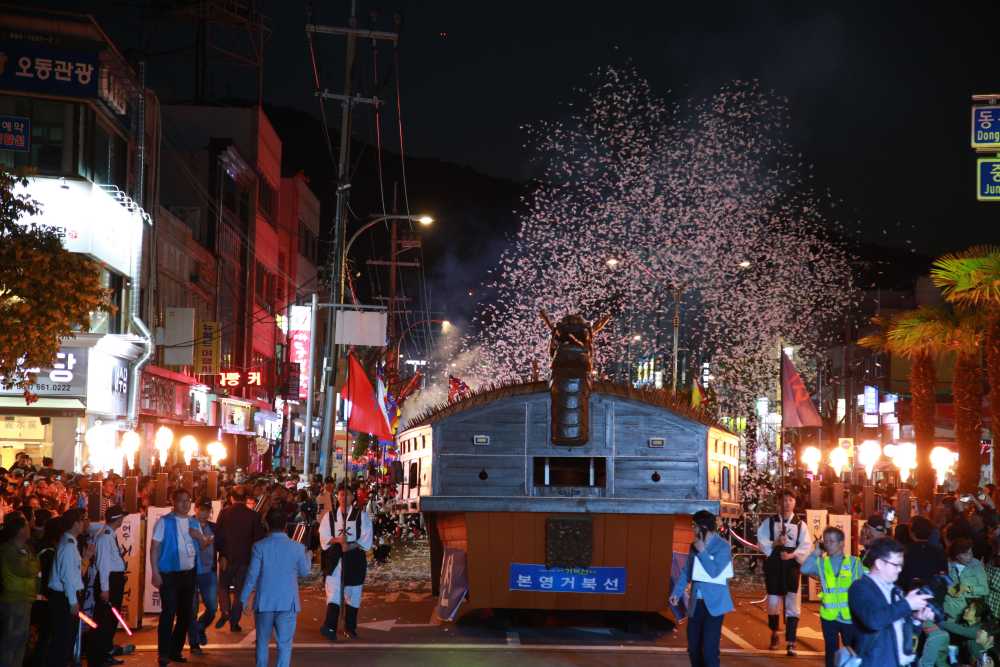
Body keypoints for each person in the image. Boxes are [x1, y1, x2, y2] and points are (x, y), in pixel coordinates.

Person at [239, 508, 311, 667]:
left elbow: (252, 575)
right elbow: (305, 572)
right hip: (288, 602)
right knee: (285, 645)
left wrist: (244, 598)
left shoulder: (259, 546)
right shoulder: (297, 547)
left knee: (262, 643)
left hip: (265, 601)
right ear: (286, 525)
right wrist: (309, 556)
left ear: (267, 524)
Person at [848, 537, 934, 666]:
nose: (900, 569)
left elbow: (904, 633)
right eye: (896, 565)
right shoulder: (860, 588)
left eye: (901, 565)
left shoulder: (896, 590)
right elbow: (873, 620)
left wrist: (917, 620)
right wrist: (907, 604)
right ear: (879, 564)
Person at [669, 510, 732, 667]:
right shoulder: (694, 545)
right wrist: (677, 592)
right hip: (696, 603)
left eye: (694, 526)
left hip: (715, 605)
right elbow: (687, 571)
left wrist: (702, 551)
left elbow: (714, 571)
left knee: (709, 651)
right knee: (694, 648)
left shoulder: (723, 547)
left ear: (703, 527)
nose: (693, 529)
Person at [756, 489, 812, 655]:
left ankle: (791, 641)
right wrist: (774, 544)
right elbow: (761, 540)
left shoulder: (801, 525)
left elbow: (806, 546)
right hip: (774, 565)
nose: (786, 503)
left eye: (789, 500)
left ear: (794, 502)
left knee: (792, 603)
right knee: (773, 603)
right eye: (783, 500)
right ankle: (774, 632)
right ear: (778, 503)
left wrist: (792, 554)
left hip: (791, 567)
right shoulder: (770, 522)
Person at [801, 526, 865, 667]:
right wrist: (816, 552)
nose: (828, 544)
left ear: (842, 543)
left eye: (832, 541)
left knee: (853, 652)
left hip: (850, 617)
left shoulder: (854, 562)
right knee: (831, 652)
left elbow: (863, 587)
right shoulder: (822, 563)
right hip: (829, 616)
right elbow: (804, 569)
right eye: (826, 541)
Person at [150, 489, 198, 666]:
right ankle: (163, 653)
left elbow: (201, 546)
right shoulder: (164, 522)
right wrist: (155, 572)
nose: (185, 504)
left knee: (185, 614)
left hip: (189, 574)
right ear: (173, 502)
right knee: (169, 613)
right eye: (181, 501)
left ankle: (175, 650)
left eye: (188, 500)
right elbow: (154, 548)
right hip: (169, 575)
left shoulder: (194, 522)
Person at [319, 485, 372, 640]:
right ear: (337, 497)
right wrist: (337, 540)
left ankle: (350, 627)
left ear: (352, 497)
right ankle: (330, 626)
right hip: (335, 557)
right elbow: (324, 537)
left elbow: (366, 537)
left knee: (353, 593)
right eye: (341, 495)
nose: (343, 498)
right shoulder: (329, 516)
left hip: (354, 557)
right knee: (333, 592)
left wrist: (350, 545)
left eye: (346, 495)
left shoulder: (361, 516)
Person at [214, 489, 265, 632]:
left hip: (227, 557)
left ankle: (225, 611)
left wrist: (221, 554)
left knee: (223, 586)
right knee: (240, 591)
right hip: (245, 559)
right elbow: (258, 539)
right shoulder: (253, 515)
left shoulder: (224, 513)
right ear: (245, 498)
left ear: (231, 498)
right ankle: (234, 622)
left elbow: (218, 535)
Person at [47, 508, 87, 667]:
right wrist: (73, 601)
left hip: (65, 597)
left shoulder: (69, 542)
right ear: (75, 524)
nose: (85, 523)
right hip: (64, 598)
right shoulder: (69, 546)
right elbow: (68, 577)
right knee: (63, 641)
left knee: (65, 640)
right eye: (82, 520)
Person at [0, 513, 40, 667]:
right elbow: (26, 569)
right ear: (20, 531)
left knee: (21, 641)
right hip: (13, 601)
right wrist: (33, 566)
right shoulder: (8, 550)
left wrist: (33, 566)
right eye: (26, 526)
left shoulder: (26, 548)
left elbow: (34, 566)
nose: (30, 527)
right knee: (11, 641)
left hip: (25, 599)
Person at [90, 505, 127, 667]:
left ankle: (105, 653)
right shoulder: (105, 537)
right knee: (106, 621)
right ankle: (100, 657)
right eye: (122, 517)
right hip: (109, 582)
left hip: (114, 581)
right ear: (118, 519)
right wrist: (105, 588)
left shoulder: (108, 534)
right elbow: (103, 564)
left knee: (110, 620)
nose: (123, 520)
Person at [186, 498, 217, 654]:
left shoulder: (213, 527)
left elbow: (220, 544)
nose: (204, 513)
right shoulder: (187, 524)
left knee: (212, 607)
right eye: (202, 510)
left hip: (208, 572)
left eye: (207, 510)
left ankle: (200, 627)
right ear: (196, 509)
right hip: (190, 572)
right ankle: (194, 644)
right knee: (191, 609)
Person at [899, 516, 948, 592]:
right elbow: (944, 575)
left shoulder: (905, 551)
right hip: (933, 592)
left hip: (909, 593)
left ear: (912, 533)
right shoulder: (939, 551)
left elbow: (900, 576)